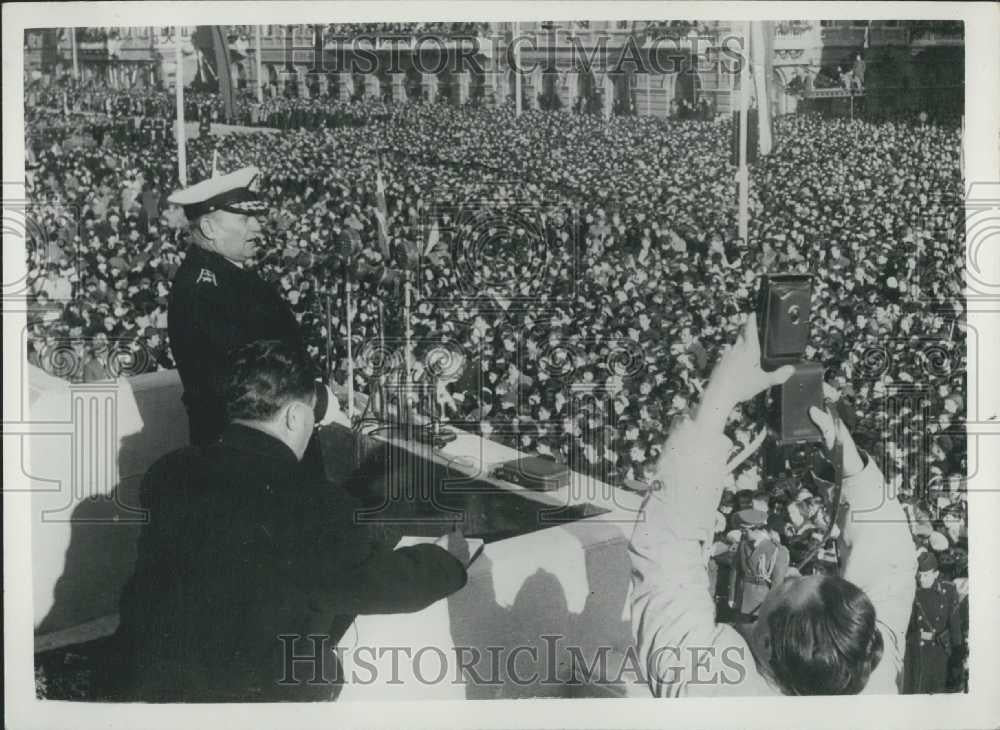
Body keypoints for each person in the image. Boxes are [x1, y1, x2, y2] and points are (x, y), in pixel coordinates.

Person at [102, 339, 471, 701]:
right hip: (243, 700)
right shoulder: (315, 504)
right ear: (295, 415)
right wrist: (447, 562)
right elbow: (380, 586)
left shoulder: (168, 471)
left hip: (145, 679)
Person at [630, 315, 917, 696]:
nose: (794, 573)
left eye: (792, 585)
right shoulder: (867, 682)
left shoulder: (710, 691)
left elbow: (665, 551)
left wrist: (720, 395)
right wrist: (850, 463)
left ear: (767, 646)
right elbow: (891, 566)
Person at [166, 166, 343, 447]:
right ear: (209, 228)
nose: (257, 227)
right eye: (245, 219)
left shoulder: (222, 275)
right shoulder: (204, 290)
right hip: (250, 446)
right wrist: (314, 398)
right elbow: (240, 373)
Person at [903, 551, 963, 694]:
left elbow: (955, 626)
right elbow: (907, 627)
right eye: (919, 575)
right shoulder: (913, 592)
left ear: (936, 574)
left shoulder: (947, 591)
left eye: (926, 575)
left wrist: (957, 655)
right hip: (917, 652)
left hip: (939, 654)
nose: (921, 579)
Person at [732, 508, 789, 620]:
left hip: (761, 603)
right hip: (742, 599)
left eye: (745, 530)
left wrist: (771, 606)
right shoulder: (744, 544)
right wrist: (732, 597)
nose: (742, 533)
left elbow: (777, 584)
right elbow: (736, 569)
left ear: (757, 529)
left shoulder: (778, 551)